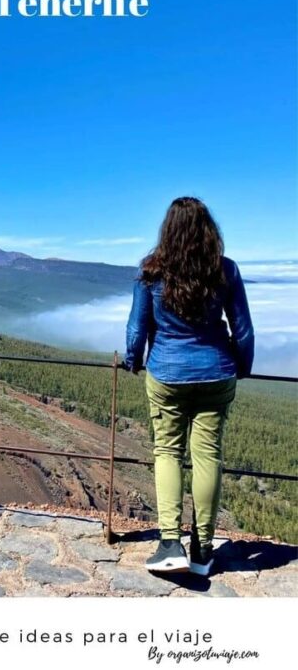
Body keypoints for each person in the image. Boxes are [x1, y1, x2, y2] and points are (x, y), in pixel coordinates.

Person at [123, 197, 254, 575]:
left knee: (167, 451)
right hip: (217, 371)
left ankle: (169, 543)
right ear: (208, 231)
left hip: (166, 373)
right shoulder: (225, 270)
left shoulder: (151, 273)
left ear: (168, 230)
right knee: (208, 456)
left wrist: (133, 360)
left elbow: (137, 327)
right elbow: (242, 329)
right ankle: (202, 550)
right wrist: (241, 366)